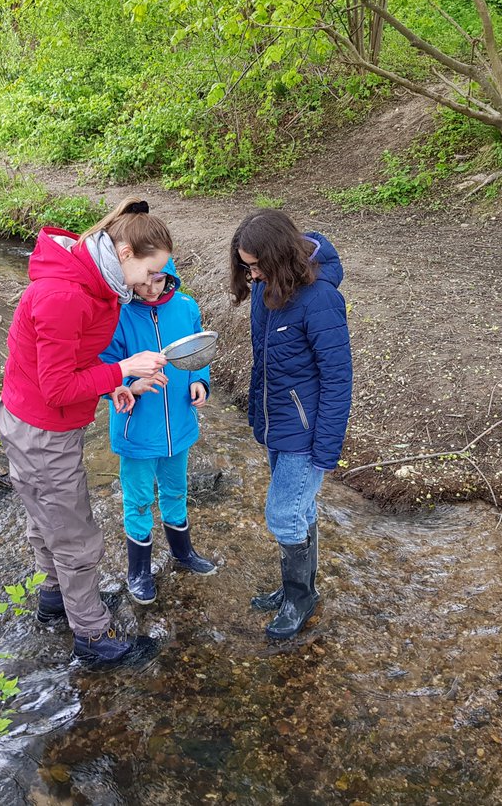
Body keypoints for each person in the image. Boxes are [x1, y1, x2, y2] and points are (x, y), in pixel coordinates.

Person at [0, 197, 171, 667]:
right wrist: (120, 371)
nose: (154, 282)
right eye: (153, 271)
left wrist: (112, 384)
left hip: (30, 420)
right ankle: (92, 636)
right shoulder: (65, 294)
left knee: (45, 514)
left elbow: (72, 358)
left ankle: (55, 600)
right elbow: (56, 388)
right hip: (41, 429)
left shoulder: (94, 276)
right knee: (74, 532)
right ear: (127, 253)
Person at [229, 209, 352, 639]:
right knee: (300, 509)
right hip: (277, 423)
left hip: (306, 431)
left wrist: (326, 449)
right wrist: (258, 420)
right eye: (246, 266)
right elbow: (265, 364)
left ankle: (300, 599)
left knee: (283, 515)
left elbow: (338, 380)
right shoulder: (267, 291)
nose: (252, 274)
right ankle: (295, 590)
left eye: (257, 265)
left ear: (279, 256)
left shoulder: (320, 299)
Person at [100, 259, 217, 605]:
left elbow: (199, 354)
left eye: (159, 279)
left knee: (176, 491)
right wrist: (131, 385)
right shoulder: (117, 315)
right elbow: (103, 366)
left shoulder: (186, 307)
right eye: (142, 281)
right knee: (137, 501)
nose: (150, 288)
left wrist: (200, 382)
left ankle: (184, 553)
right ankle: (139, 571)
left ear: (171, 275)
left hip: (179, 426)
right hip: (136, 430)